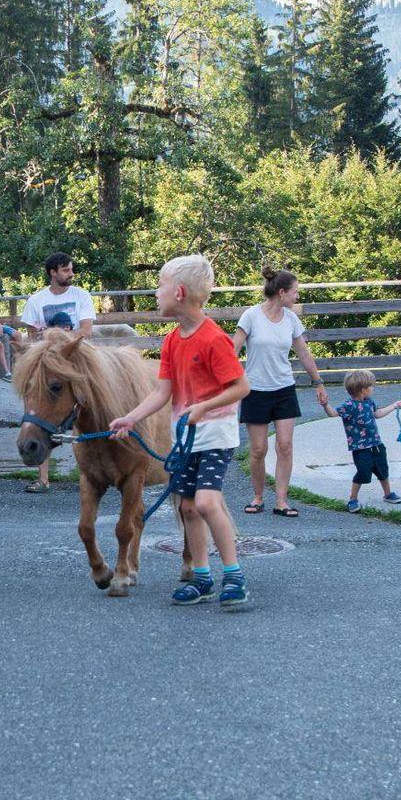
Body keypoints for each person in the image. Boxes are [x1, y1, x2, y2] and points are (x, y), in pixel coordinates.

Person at [109, 253, 253, 609]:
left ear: (180, 293)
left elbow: (241, 387)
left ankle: (234, 575)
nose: (156, 293)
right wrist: (130, 418)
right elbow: (162, 393)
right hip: (185, 438)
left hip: (215, 435)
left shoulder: (214, 338)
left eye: (160, 285)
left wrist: (203, 407)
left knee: (205, 502)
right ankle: (202, 577)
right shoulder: (172, 341)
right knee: (187, 508)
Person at [233, 270, 331, 516]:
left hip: (284, 388)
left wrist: (318, 382)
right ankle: (258, 497)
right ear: (282, 292)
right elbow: (232, 350)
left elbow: (304, 353)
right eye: (295, 292)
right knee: (258, 449)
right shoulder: (251, 316)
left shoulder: (291, 319)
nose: (297, 297)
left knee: (285, 446)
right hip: (256, 389)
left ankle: (281, 500)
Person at [18, 252, 97, 493]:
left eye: (71, 269)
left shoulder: (81, 296)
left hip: (77, 363)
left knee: (89, 417)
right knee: (41, 415)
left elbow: (86, 331)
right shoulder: (36, 301)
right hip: (49, 367)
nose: (71, 274)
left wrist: (56, 341)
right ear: (53, 272)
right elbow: (33, 338)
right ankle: (43, 479)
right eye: (66, 270)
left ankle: (91, 476)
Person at [334, 370, 401, 512]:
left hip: (377, 444)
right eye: (371, 386)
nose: (373, 388)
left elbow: (377, 414)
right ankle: (352, 499)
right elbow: (333, 413)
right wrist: (325, 405)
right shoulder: (349, 405)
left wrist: (394, 405)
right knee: (363, 472)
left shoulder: (369, 402)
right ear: (363, 390)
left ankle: (388, 494)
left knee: (382, 470)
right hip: (361, 448)